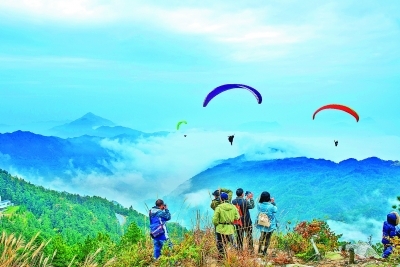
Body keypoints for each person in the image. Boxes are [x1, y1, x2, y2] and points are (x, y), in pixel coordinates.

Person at [212, 192, 240, 260]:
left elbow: (214, 220)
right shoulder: (233, 207)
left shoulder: (218, 208)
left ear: (221, 199)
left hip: (220, 229)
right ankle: (231, 258)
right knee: (230, 243)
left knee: (220, 244)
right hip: (230, 229)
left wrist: (218, 224)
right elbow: (237, 217)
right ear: (227, 198)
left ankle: (222, 258)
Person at [256, 191, 278, 256]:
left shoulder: (259, 205)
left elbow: (260, 203)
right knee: (268, 238)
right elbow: (275, 210)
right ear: (268, 198)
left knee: (262, 236)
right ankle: (265, 252)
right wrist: (273, 202)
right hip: (270, 225)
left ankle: (259, 250)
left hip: (262, 223)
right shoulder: (271, 206)